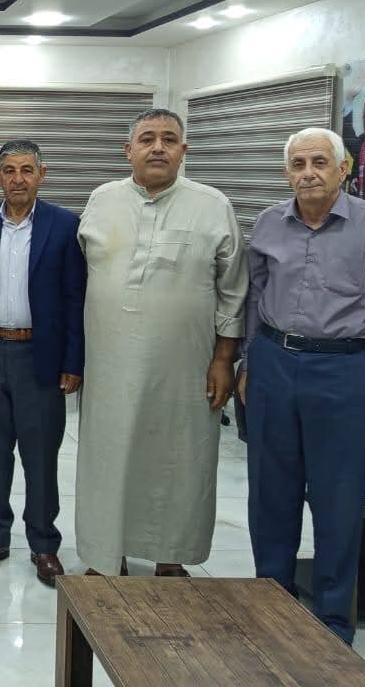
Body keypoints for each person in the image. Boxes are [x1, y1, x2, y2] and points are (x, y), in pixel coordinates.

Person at [242, 127, 365, 644]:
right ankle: (272, 606)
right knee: (270, 493)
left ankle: (334, 622)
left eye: (320, 162)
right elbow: (254, 297)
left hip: (342, 370)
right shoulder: (268, 223)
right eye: (298, 164)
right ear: (287, 172)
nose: (309, 173)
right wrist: (249, 362)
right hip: (273, 362)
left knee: (337, 497)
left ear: (344, 169)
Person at [75, 108, 247, 577]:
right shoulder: (102, 199)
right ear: (127, 150)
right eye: (147, 139)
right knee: (109, 457)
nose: (157, 147)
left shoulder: (212, 205)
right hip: (110, 364)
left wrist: (224, 358)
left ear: (183, 150)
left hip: (186, 367)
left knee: (181, 458)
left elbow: (233, 289)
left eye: (169, 139)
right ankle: (106, 556)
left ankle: (172, 558)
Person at [0, 140, 85, 582]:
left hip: (39, 358)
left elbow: (74, 298)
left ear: (41, 175)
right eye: (9, 170)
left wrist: (73, 361)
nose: (18, 179)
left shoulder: (64, 226)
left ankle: (44, 543)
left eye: (27, 170)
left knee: (40, 455)